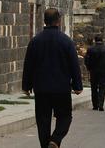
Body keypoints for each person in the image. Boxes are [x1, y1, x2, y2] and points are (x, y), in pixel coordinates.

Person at [22, 8, 82, 148]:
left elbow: (28, 64)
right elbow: (74, 64)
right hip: (61, 89)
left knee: (43, 120)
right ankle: (55, 140)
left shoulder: (35, 41)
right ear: (59, 21)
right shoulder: (66, 41)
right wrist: (77, 86)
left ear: (44, 21)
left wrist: (26, 86)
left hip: (41, 89)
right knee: (65, 117)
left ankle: (45, 146)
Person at [84, 35, 105, 111]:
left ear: (95, 40)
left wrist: (88, 68)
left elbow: (86, 60)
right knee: (102, 88)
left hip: (93, 71)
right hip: (103, 71)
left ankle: (95, 105)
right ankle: (101, 105)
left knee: (94, 88)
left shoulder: (90, 49)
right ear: (102, 40)